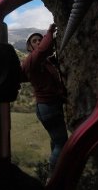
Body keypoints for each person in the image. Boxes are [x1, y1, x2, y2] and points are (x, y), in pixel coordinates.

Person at [20, 23, 68, 178]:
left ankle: (57, 169)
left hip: (48, 106)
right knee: (62, 143)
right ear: (29, 47)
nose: (38, 42)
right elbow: (43, 50)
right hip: (48, 107)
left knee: (56, 141)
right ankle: (53, 176)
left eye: (40, 39)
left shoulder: (43, 61)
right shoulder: (31, 60)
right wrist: (49, 32)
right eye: (34, 41)